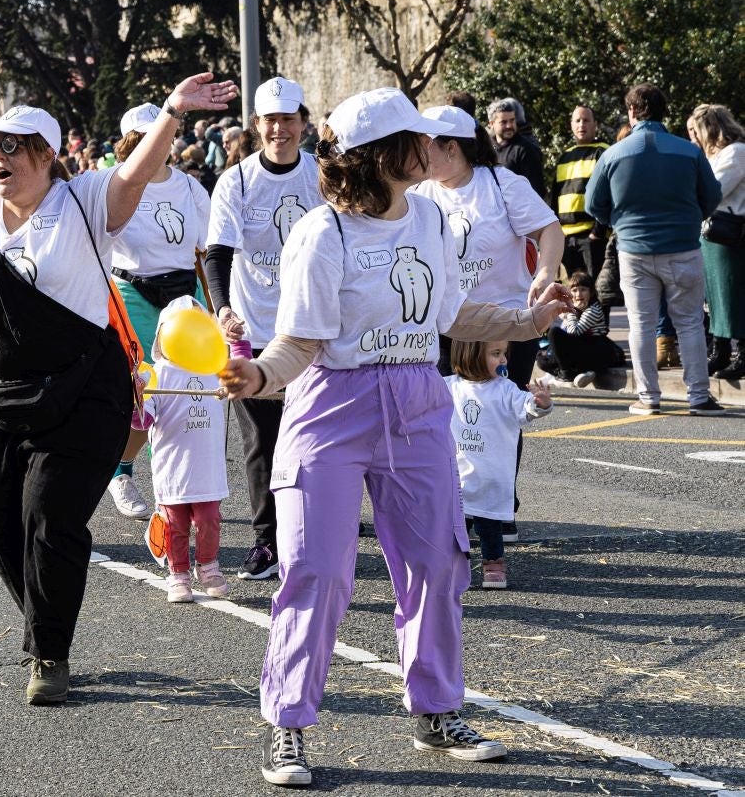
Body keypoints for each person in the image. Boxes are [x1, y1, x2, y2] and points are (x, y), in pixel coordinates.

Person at [217, 87, 572, 788]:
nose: (437, 146)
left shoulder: (433, 218)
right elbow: (298, 344)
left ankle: (435, 710)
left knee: (438, 563)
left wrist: (527, 324)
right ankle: (288, 723)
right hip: (332, 406)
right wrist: (259, 375)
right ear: (385, 154)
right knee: (317, 569)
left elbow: (451, 313)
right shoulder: (324, 234)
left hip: (416, 396)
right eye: (420, 137)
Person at [0, 73, 238, 706]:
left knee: (50, 519)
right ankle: (41, 616)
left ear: (47, 155)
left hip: (79, 393)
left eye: (14, 147)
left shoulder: (85, 200)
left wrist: (174, 112)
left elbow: (133, 176)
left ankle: (50, 652)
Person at [414, 104, 562, 541]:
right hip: (447, 325)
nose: (420, 153)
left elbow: (549, 230)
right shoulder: (421, 193)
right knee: (444, 417)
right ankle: (454, 504)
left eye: (428, 145)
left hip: (508, 324)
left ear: (453, 147)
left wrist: (546, 274)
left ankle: (498, 509)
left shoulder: (501, 184)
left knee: (500, 417)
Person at [204, 76, 322, 582]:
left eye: (288, 119)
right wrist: (222, 308)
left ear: (303, 124)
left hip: (310, 328)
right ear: (257, 125)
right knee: (262, 441)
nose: (280, 129)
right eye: (270, 120)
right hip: (253, 330)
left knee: (316, 436)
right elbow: (217, 254)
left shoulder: (321, 175)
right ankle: (266, 541)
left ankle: (312, 535)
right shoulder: (238, 181)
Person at [585, 84, 724, 415]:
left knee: (641, 323)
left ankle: (648, 398)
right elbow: (713, 197)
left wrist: (618, 222)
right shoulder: (688, 152)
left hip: (634, 249)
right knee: (689, 322)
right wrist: (691, 217)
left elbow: (593, 204)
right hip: (683, 246)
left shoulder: (613, 154)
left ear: (631, 112)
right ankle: (699, 396)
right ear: (666, 112)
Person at [103, 103, 212, 520]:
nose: (156, 144)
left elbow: (204, 250)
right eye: (146, 137)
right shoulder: (117, 184)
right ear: (129, 142)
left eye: (162, 135)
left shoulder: (190, 188)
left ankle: (182, 484)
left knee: (190, 395)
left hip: (183, 294)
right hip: (133, 292)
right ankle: (121, 471)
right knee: (149, 392)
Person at [137, 297, 230, 603]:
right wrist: (136, 397)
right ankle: (178, 574)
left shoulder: (216, 368)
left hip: (207, 467)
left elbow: (246, 378)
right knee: (174, 524)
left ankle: (208, 566)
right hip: (173, 467)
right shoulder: (157, 373)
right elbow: (142, 420)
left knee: (209, 518)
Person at [445, 340, 552, 590]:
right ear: (470, 354)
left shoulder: (505, 389)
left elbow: (526, 407)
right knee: (453, 529)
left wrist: (540, 403)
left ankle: (494, 566)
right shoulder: (448, 386)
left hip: (489, 478)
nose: (503, 359)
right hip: (455, 477)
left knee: (489, 527)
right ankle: (451, 567)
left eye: (504, 353)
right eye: (496, 353)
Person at [686, 104, 745, 381]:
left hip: (729, 233)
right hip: (711, 234)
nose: (694, 138)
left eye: (696, 131)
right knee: (714, 297)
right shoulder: (715, 156)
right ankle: (719, 351)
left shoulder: (736, 152)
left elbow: (714, 190)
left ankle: (742, 354)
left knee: (733, 295)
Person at [550, 106, 610, 279]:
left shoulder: (603, 151)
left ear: (595, 124)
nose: (581, 124)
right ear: (571, 125)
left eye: (586, 120)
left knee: (595, 290)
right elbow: (555, 198)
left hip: (592, 236)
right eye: (577, 120)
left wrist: (598, 231)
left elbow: (608, 195)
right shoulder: (564, 157)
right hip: (567, 237)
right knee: (574, 292)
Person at [540, 270, 623, 386]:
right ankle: (571, 373)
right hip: (581, 347)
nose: (578, 294)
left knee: (554, 333)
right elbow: (566, 332)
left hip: (598, 349)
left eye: (583, 290)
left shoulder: (593, 309)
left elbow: (574, 332)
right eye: (574, 290)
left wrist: (572, 312)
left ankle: (566, 374)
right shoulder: (573, 307)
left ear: (591, 292)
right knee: (541, 360)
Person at [487, 97, 546, 198]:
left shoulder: (525, 149)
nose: (509, 125)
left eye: (512, 120)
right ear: (492, 124)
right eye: (504, 122)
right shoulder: (486, 149)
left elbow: (537, 191)